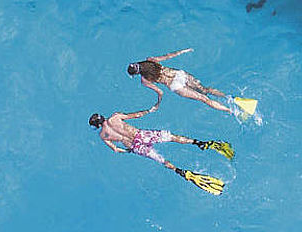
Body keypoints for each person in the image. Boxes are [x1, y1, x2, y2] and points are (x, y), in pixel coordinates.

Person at [90, 108, 233, 194]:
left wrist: (128, 150)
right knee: (172, 137)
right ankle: (200, 143)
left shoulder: (103, 136)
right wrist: (151, 109)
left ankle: (183, 172)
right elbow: (137, 115)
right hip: (142, 135)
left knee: (162, 160)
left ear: (97, 125)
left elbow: (116, 150)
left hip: (135, 147)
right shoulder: (115, 117)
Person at [128, 48, 257, 118]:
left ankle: (234, 112)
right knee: (205, 90)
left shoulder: (144, 80)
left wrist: (157, 104)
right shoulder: (151, 61)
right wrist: (182, 51)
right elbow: (168, 56)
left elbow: (160, 92)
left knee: (204, 99)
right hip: (179, 74)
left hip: (175, 86)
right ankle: (234, 99)